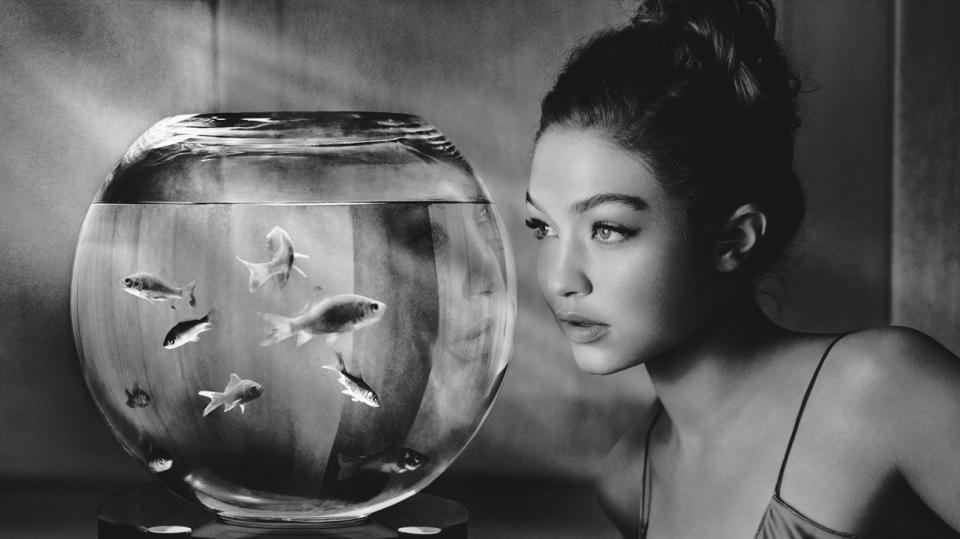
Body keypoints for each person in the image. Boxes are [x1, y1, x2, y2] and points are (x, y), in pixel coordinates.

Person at [522, 0, 960, 537]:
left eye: (608, 229)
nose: (560, 280)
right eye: (542, 228)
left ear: (732, 238)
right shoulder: (626, 481)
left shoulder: (884, 390)